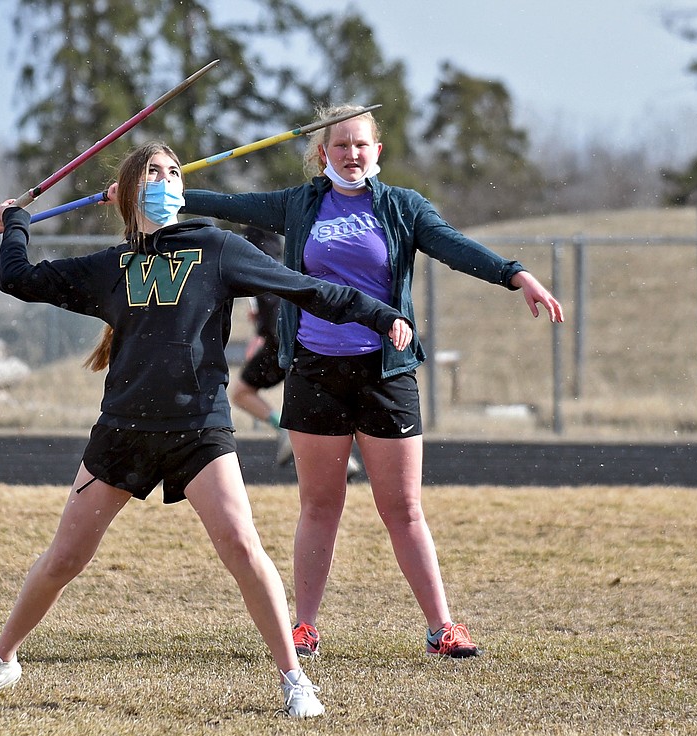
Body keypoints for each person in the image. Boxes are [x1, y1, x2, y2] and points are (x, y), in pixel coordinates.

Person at [0, 141, 415, 718]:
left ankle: (294, 680)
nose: (168, 180)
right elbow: (18, 279)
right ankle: (1, 661)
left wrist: (381, 313)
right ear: (126, 190)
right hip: (123, 430)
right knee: (64, 559)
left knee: (243, 547)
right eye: (154, 171)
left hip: (199, 429)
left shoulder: (216, 248)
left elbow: (309, 289)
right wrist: (14, 222)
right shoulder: (110, 267)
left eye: (174, 172)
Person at [182, 105, 565, 660]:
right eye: (340, 146)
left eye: (361, 145)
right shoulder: (300, 204)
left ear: (377, 151)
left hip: (386, 370)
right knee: (319, 505)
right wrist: (157, 192)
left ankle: (441, 628)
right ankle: (304, 627)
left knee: (404, 508)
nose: (352, 155)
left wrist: (515, 274)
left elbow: (455, 246)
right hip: (314, 369)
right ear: (322, 153)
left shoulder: (402, 208)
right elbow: (224, 204)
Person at [231, 227, 363, 478]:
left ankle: (289, 433)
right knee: (310, 407)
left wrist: (266, 334)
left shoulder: (253, 270)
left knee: (244, 394)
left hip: (287, 345)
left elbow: (272, 313)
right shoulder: (288, 266)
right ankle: (330, 454)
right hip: (304, 342)